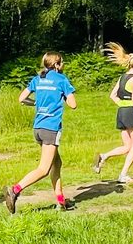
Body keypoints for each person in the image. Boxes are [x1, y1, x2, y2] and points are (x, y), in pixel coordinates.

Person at [4, 53, 78, 214]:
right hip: (51, 128)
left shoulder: (38, 78)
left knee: (56, 164)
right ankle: (15, 190)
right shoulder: (61, 80)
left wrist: (35, 103)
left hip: (38, 128)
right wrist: (64, 95)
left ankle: (61, 201)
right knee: (44, 169)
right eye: (62, 62)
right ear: (57, 65)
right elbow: (73, 104)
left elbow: (21, 99)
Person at [93, 42, 133, 184]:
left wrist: (122, 104)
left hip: (121, 112)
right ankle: (123, 175)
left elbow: (113, 95)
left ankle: (104, 156)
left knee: (127, 146)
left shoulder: (122, 78)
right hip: (132, 113)